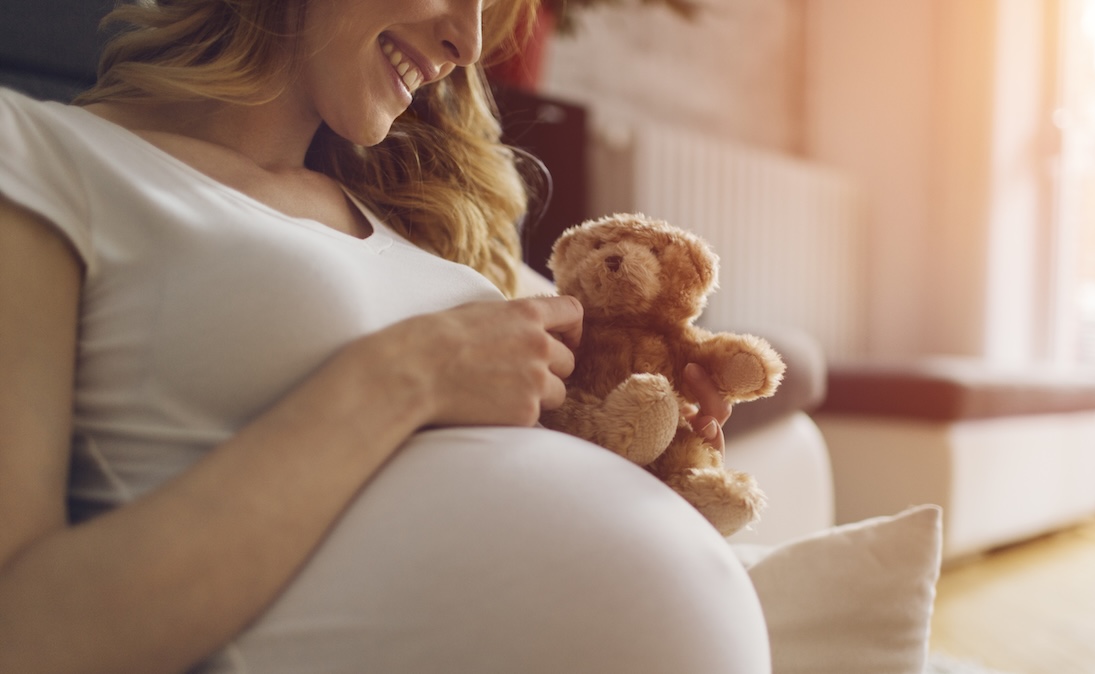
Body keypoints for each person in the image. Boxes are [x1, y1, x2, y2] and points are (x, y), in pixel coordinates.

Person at [0, 1, 771, 672]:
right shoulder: (39, 152)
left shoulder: (412, 217)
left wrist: (650, 412)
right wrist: (404, 377)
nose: (468, 42)